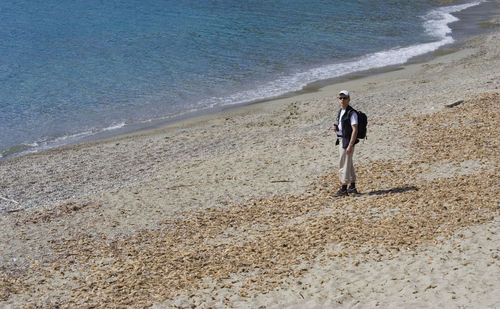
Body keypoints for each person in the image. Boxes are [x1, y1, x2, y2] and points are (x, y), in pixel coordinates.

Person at [333, 90, 359, 196]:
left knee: (343, 164)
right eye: (340, 98)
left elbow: (355, 129)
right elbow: (343, 126)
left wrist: (350, 145)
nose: (342, 100)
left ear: (349, 99)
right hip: (341, 139)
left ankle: (344, 188)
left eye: (344, 98)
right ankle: (352, 186)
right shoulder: (341, 111)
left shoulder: (351, 113)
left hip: (347, 141)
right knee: (348, 163)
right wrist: (336, 128)